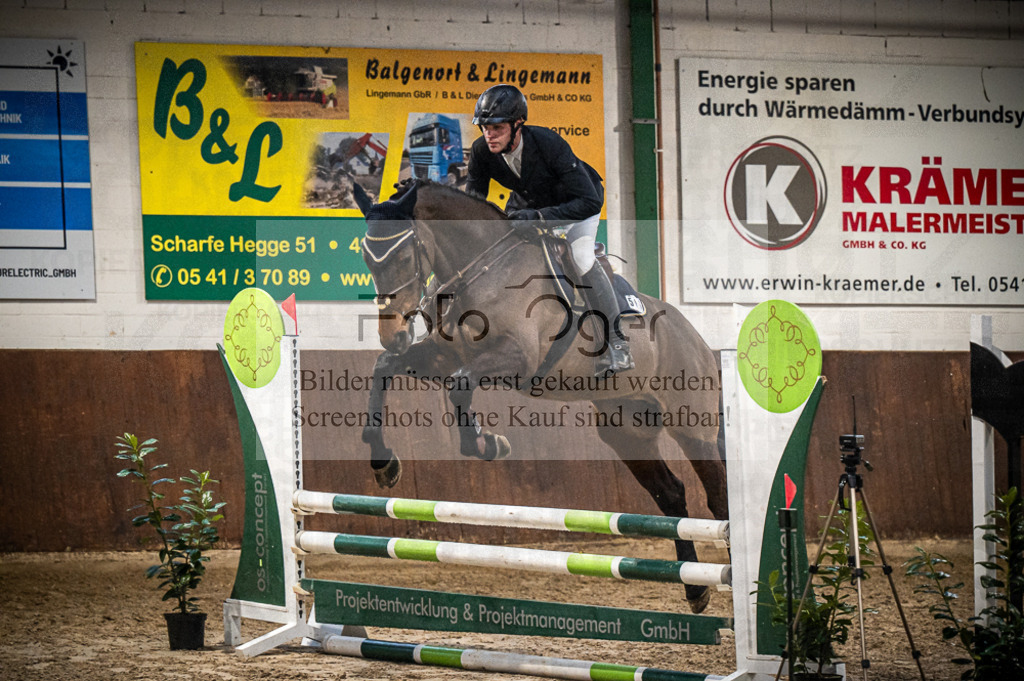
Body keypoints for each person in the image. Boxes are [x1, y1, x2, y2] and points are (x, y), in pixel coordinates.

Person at [466, 84, 633, 376]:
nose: (489, 134)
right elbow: (473, 203)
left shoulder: (548, 143)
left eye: (497, 127)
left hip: (577, 205)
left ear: (518, 125)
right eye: (484, 127)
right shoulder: (482, 151)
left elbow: (589, 201)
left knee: (580, 257)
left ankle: (618, 344)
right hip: (529, 205)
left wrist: (539, 218)